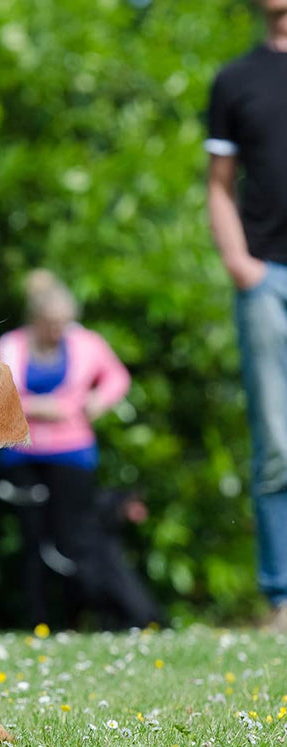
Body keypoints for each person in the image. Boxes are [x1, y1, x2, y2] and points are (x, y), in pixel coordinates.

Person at [205, 0, 287, 632]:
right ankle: (283, 597)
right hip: (267, 280)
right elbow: (219, 183)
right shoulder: (235, 80)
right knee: (277, 443)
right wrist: (240, 262)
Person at [0, 270, 134, 628]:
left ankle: (80, 619)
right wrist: (41, 408)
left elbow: (118, 377)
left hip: (73, 454)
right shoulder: (11, 345)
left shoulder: (86, 344)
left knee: (75, 540)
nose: (57, 330)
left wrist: (98, 401)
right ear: (35, 319)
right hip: (22, 455)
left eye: (62, 323)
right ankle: (38, 621)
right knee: (33, 541)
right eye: (50, 323)